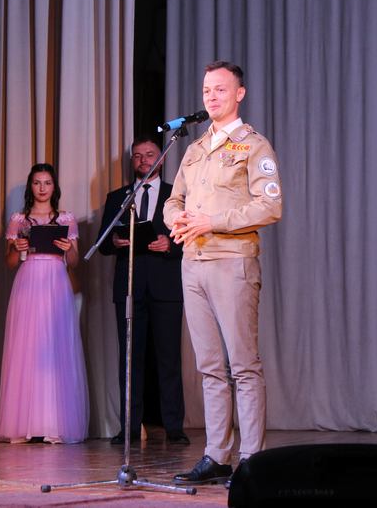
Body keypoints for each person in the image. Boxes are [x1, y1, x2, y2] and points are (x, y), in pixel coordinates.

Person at [164, 61, 283, 485]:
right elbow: (173, 200)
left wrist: (212, 221)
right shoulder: (195, 148)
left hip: (232, 261)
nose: (211, 97)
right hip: (192, 262)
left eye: (219, 89)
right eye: (206, 90)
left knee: (243, 366)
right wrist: (177, 219)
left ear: (239, 94)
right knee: (209, 366)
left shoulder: (254, 146)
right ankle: (217, 455)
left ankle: (251, 460)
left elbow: (270, 205)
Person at [99, 137, 188, 446]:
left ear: (160, 159)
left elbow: (192, 239)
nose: (143, 160)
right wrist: (115, 241)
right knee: (130, 359)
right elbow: (102, 244)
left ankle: (174, 427)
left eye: (149, 154)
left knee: (169, 359)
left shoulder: (177, 195)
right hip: (129, 288)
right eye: (137, 156)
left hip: (166, 288)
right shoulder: (118, 197)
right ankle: (130, 428)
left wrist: (170, 245)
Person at [0, 163, 89, 443]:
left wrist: (68, 249)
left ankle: (53, 425)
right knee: (26, 349)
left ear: (54, 187)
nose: (42, 188)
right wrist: (17, 248)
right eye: (37, 183)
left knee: (53, 349)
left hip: (56, 282)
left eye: (47, 183)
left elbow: (74, 262)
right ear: (31, 186)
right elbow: (9, 263)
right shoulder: (19, 220)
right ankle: (23, 425)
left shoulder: (66, 219)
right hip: (28, 282)